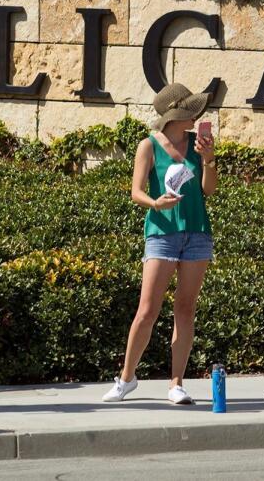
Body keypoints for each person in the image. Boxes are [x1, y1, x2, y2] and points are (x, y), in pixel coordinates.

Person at [103, 83, 217, 405]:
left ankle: (176, 383)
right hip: (162, 232)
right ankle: (126, 378)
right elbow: (135, 191)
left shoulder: (199, 143)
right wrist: (156, 203)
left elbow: (209, 191)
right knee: (147, 310)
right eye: (191, 112)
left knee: (185, 308)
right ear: (175, 116)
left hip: (197, 233)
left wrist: (209, 160)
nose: (196, 117)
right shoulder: (148, 146)